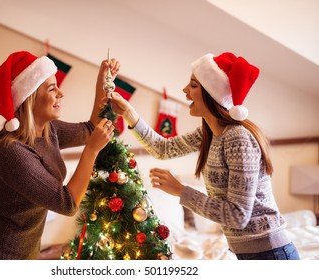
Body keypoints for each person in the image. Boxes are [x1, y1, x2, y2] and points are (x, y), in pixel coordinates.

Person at [110, 52, 300, 260]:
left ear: (212, 94)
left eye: (193, 86)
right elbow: (163, 149)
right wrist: (128, 112)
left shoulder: (238, 139)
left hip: (270, 253)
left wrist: (181, 190)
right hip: (250, 252)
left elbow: (237, 216)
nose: (184, 90)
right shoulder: (209, 133)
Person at [0, 51, 120, 259]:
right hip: (0, 255)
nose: (60, 93)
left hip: (26, 253)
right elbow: (67, 203)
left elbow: (90, 130)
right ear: (30, 97)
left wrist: (102, 81)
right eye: (52, 88)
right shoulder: (12, 152)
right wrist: (91, 150)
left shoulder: (47, 130)